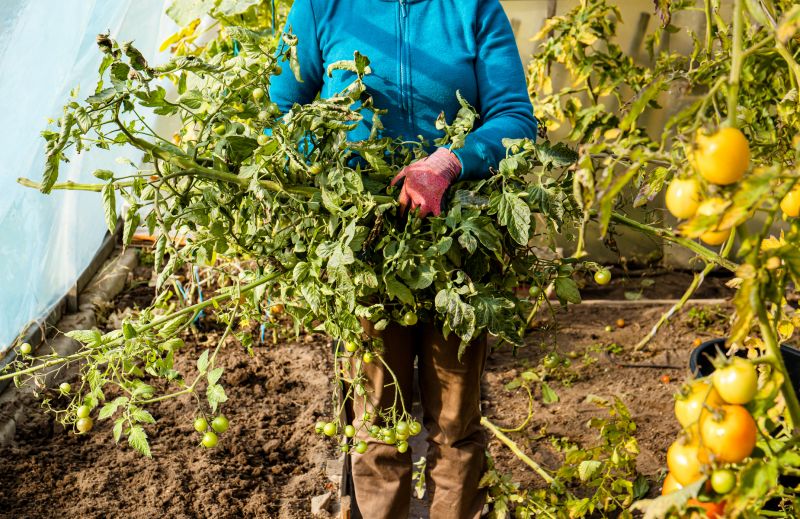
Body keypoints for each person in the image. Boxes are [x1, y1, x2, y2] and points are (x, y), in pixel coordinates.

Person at [270, 1, 537, 517]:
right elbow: (281, 112)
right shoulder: (321, 7)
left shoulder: (474, 8)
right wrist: (336, 168)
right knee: (376, 425)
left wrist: (449, 161)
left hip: (457, 251)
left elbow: (514, 117)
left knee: (455, 425)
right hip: (363, 253)